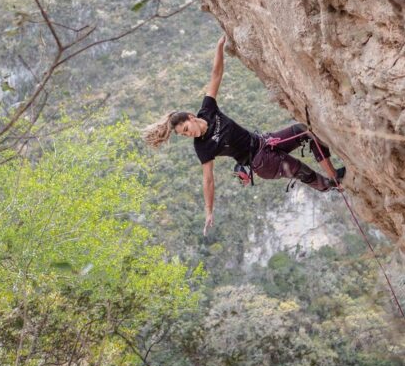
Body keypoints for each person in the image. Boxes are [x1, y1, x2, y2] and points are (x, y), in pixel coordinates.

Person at [144, 36, 345, 235]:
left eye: (186, 129)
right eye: (184, 135)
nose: (189, 134)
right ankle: (329, 185)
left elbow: (216, 75)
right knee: (302, 170)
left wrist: (219, 47)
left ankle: (333, 175)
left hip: (265, 142)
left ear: (191, 117)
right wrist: (209, 211)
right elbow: (208, 180)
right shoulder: (202, 147)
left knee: (304, 131)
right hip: (261, 162)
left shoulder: (207, 110)